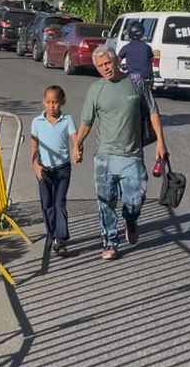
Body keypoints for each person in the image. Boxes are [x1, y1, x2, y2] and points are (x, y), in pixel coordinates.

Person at [75, 44, 168, 260]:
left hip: (131, 155)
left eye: (108, 63)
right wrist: (77, 144)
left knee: (136, 197)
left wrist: (161, 143)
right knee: (105, 202)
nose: (105, 69)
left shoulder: (136, 83)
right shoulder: (95, 90)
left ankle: (131, 218)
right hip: (104, 156)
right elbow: (86, 122)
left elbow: (153, 112)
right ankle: (110, 242)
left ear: (117, 60)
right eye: (100, 66)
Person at [31, 85, 78, 257]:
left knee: (59, 202)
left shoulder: (67, 120)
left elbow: (75, 138)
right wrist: (35, 164)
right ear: (44, 102)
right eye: (49, 102)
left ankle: (61, 238)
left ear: (62, 102)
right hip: (43, 170)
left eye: (56, 102)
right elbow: (34, 145)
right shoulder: (37, 122)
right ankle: (52, 234)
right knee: (47, 203)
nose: (52, 106)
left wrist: (77, 149)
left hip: (62, 168)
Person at [118, 22, 155, 92]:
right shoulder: (147, 47)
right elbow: (152, 60)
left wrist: (122, 66)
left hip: (133, 78)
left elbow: (117, 60)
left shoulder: (126, 47)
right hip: (147, 78)